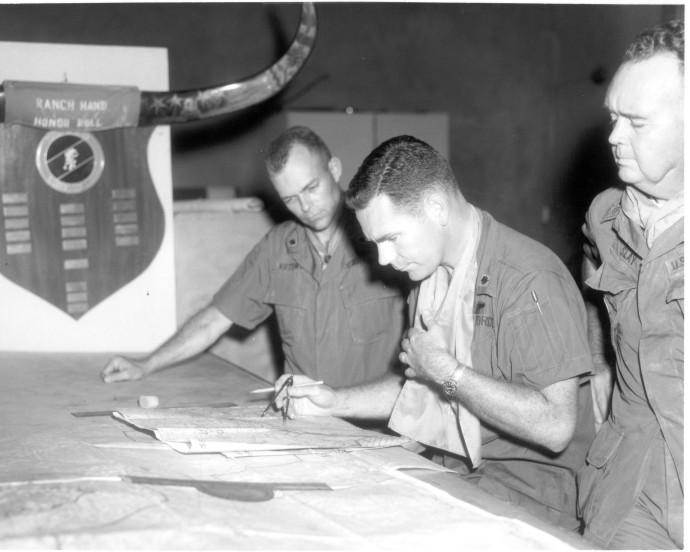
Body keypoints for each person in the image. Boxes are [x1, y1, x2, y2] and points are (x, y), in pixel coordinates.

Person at [277, 135, 595, 530]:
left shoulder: (529, 279)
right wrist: (333, 402)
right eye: (376, 244)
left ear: (436, 207)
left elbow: (555, 425)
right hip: (454, 469)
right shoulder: (429, 278)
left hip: (529, 493)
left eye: (391, 238)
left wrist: (448, 372)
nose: (384, 259)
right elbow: (422, 383)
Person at [101, 126, 407, 389]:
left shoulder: (382, 237)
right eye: (290, 199)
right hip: (306, 421)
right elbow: (213, 320)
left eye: (311, 188)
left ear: (335, 169)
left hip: (371, 426)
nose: (305, 207)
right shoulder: (278, 247)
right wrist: (146, 364)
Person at [577, 20, 684, 549]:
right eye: (614, 117)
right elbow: (592, 282)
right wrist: (599, 360)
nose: (614, 137)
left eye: (636, 122)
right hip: (631, 482)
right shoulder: (606, 215)